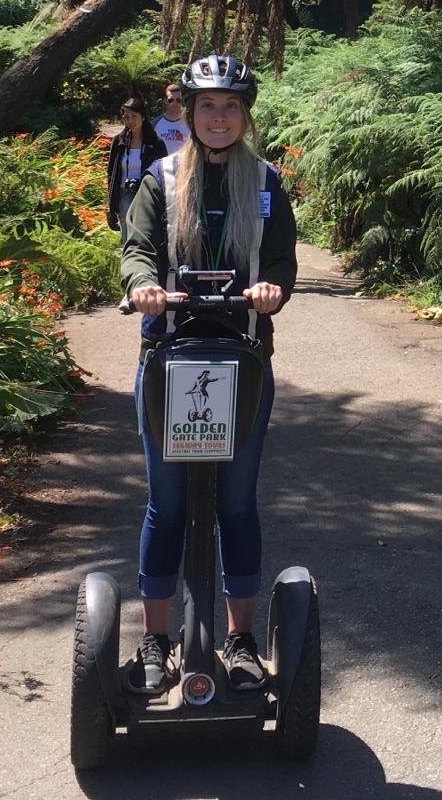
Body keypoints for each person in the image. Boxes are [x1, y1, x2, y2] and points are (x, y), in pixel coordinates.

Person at [120, 55, 298, 696]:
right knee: (166, 506)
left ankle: (242, 639)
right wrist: (143, 286)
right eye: (206, 107)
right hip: (169, 357)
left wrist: (273, 287)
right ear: (190, 114)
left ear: (244, 114)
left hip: (242, 359)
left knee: (236, 503)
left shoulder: (267, 182)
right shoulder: (161, 180)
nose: (218, 118)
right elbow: (137, 248)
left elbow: (279, 254)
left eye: (229, 107)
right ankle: (154, 639)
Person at [107, 96, 167, 232]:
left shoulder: (155, 143)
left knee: (144, 232)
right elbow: (111, 173)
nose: (130, 121)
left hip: (146, 193)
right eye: (126, 117)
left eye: (134, 116)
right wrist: (110, 205)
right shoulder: (119, 142)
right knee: (127, 234)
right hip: (123, 193)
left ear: (143, 117)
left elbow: (163, 174)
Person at [153, 81, 190, 154]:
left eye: (178, 100)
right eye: (171, 100)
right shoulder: (155, 124)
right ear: (165, 101)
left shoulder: (190, 123)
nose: (175, 103)